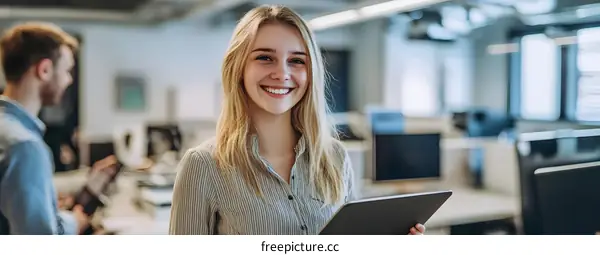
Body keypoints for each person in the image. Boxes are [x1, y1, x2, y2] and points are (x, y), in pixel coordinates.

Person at [169, 5, 426, 235]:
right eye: (264, 57)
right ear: (238, 68)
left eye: (296, 61)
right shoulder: (202, 166)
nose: (282, 73)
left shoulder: (334, 157)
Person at [0, 22, 90, 234]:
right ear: (45, 70)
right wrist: (74, 222)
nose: (68, 80)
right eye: (67, 71)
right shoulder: (25, 146)